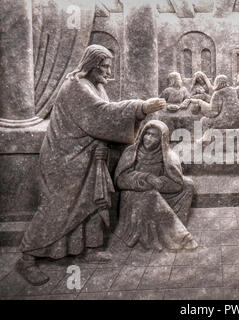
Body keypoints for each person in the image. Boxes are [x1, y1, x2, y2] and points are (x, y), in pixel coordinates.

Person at [16, 44, 166, 286]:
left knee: (90, 205)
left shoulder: (94, 85)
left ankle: (85, 249)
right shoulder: (76, 87)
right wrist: (141, 107)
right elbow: (101, 115)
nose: (108, 72)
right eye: (105, 67)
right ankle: (27, 258)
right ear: (92, 66)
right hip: (66, 160)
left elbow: (103, 115)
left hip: (87, 159)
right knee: (58, 207)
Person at [114, 120, 198, 251]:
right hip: (132, 192)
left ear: (161, 139)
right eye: (147, 134)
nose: (148, 138)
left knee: (188, 185)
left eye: (154, 136)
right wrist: (146, 178)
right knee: (152, 196)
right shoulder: (131, 152)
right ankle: (181, 237)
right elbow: (120, 180)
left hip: (155, 189)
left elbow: (176, 182)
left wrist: (159, 183)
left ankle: (173, 228)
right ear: (142, 135)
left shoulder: (168, 156)